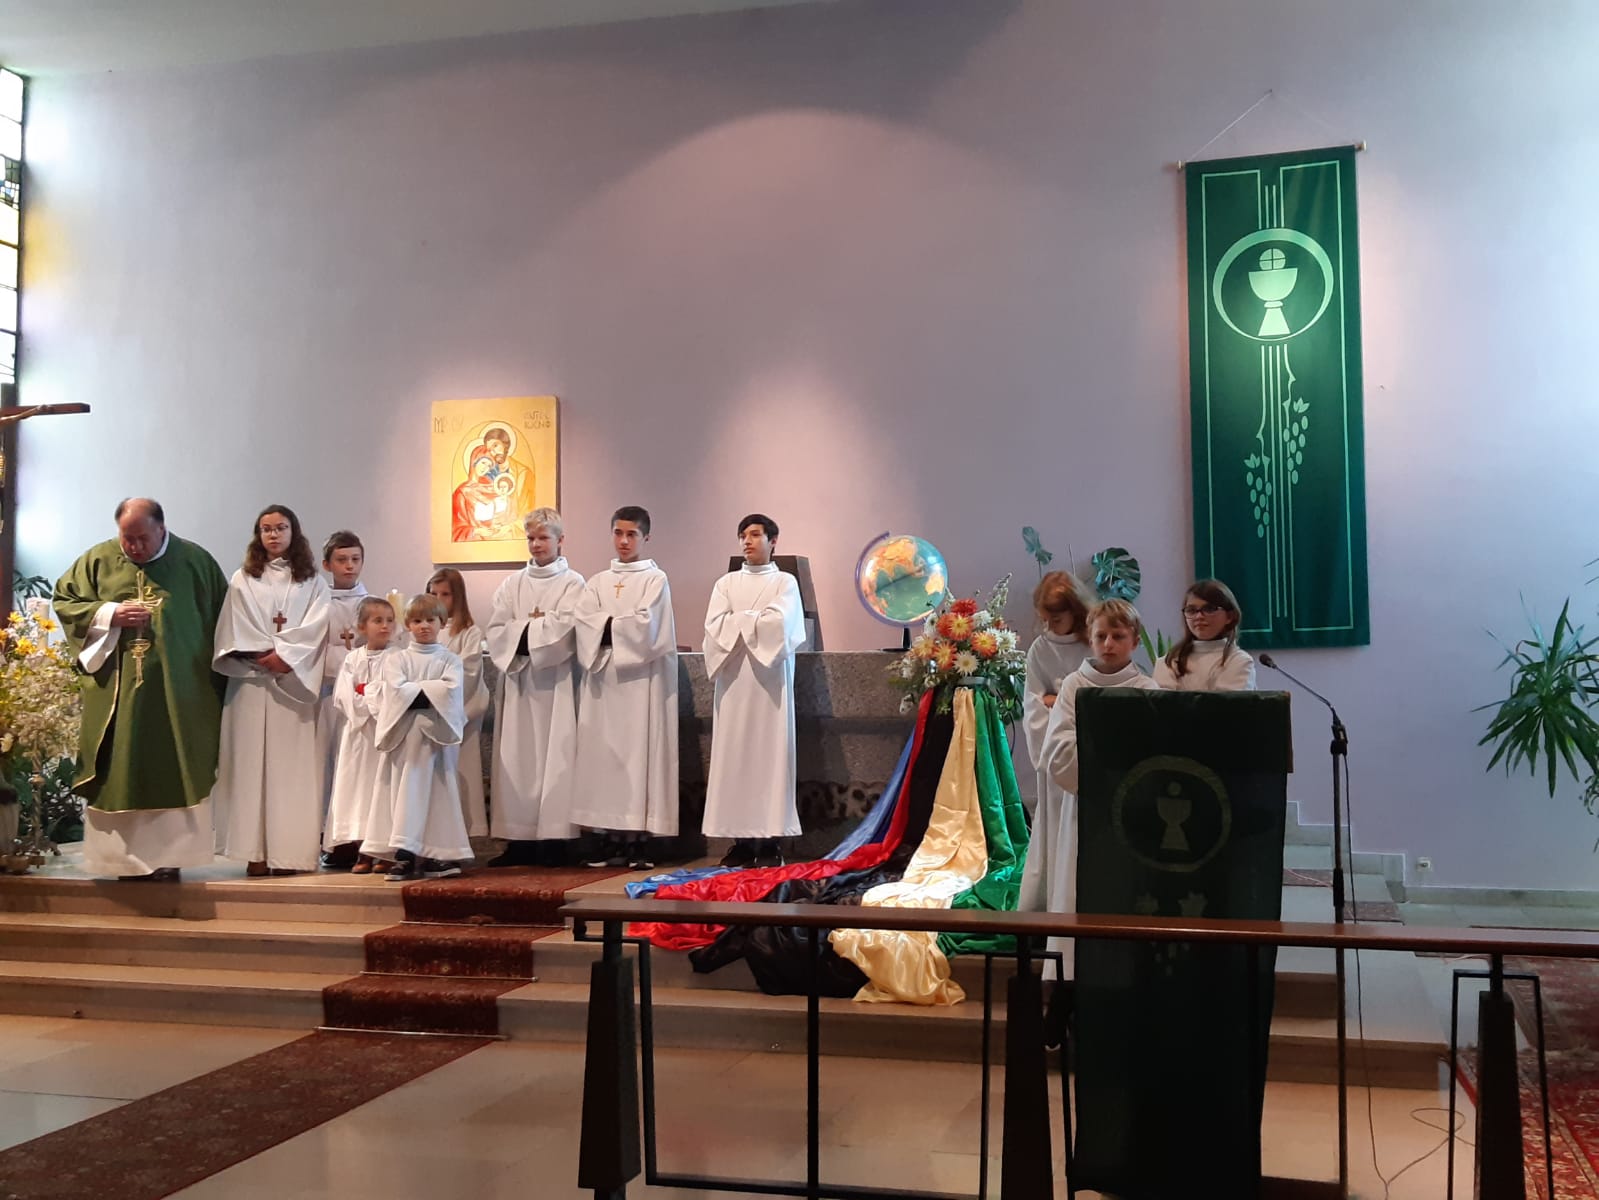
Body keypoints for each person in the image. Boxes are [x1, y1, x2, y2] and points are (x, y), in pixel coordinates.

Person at [52, 498, 230, 880]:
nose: (133, 547)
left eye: (142, 538)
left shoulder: (196, 563)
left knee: (176, 764)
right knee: (118, 768)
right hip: (118, 698)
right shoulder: (97, 560)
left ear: (161, 529)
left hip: (180, 696)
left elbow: (224, 622)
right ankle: (121, 862)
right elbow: (65, 601)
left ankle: (171, 858)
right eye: (126, 538)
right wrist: (108, 614)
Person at [1029, 598, 1159, 980]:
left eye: (1118, 636)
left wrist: (1113, 760)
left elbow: (1155, 752)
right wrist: (1109, 763)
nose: (1108, 644)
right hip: (1085, 808)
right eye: (1101, 636)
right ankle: (1068, 981)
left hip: (1131, 813)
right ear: (1090, 638)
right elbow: (1058, 749)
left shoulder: (1148, 689)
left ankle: (1126, 977)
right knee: (1077, 889)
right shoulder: (1075, 685)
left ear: (1135, 640)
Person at [211, 505, 331, 876]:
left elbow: (317, 626)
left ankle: (289, 854)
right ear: (258, 535)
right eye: (266, 529)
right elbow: (234, 622)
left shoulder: (312, 582)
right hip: (250, 682)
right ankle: (255, 853)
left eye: (281, 528)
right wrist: (262, 654)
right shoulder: (243, 578)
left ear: (294, 532)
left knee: (289, 772)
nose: (274, 535)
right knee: (249, 769)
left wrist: (286, 656)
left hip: (291, 687)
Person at [570, 506, 678, 870]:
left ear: (645, 537)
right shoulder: (597, 582)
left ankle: (638, 840)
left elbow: (649, 627)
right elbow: (584, 621)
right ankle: (608, 837)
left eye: (631, 534)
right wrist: (617, 625)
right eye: (618, 533)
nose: (624, 541)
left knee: (637, 757)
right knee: (604, 759)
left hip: (640, 686)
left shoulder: (654, 580)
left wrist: (607, 626)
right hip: (603, 682)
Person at [701, 513, 806, 869]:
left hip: (769, 685)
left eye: (755, 534)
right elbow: (715, 627)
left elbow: (780, 623)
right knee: (735, 757)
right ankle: (741, 842)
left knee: (770, 756)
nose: (747, 541)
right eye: (743, 535)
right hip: (734, 684)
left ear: (773, 541)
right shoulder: (725, 584)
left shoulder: (785, 582)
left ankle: (771, 841)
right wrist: (754, 620)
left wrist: (741, 620)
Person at [484, 507, 585, 867]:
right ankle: (518, 840)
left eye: (543, 537)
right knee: (517, 758)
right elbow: (497, 630)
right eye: (531, 538)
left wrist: (523, 631)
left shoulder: (573, 583)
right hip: (519, 682)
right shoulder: (512, 585)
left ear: (560, 540)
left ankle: (555, 841)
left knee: (556, 758)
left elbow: (568, 626)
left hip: (556, 683)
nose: (537, 544)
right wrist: (531, 632)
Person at [362, 594, 472, 881]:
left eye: (430, 620)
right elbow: (396, 692)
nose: (424, 626)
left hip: (436, 742)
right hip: (406, 740)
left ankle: (438, 854)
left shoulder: (450, 660)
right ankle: (405, 854)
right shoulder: (397, 659)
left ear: (442, 623)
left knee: (437, 794)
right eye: (417, 620)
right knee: (405, 794)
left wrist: (416, 691)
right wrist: (429, 692)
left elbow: (450, 691)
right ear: (408, 624)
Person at [322, 596, 396, 874]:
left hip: (384, 733)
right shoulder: (352, 658)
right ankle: (362, 850)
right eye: (378, 621)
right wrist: (368, 700)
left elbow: (393, 692)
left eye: (390, 620)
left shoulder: (397, 658)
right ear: (362, 627)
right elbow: (343, 695)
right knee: (357, 792)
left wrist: (368, 696)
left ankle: (386, 852)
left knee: (381, 790)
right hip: (357, 734)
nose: (385, 626)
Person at [1021, 572, 1092, 819]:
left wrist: (1058, 699)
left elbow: (1096, 692)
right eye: (1044, 620)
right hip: (1054, 745)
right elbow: (1034, 702)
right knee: (1057, 813)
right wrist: (1065, 700)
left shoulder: (1094, 643)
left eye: (1057, 619)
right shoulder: (1040, 649)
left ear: (1076, 611)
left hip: (1089, 742)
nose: (1049, 627)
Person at [317, 530, 369, 868]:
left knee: (356, 769)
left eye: (355, 559)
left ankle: (360, 838)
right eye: (341, 560)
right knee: (327, 767)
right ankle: (329, 839)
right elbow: (312, 648)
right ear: (327, 565)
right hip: (325, 696)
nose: (349, 566)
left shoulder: (372, 603)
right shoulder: (317, 603)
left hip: (362, 700)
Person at [425, 568, 489, 838]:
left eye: (446, 594)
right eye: (433, 594)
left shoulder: (469, 632)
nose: (439, 600)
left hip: (460, 712)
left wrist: (438, 681)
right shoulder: (424, 628)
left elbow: (469, 670)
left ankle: (464, 830)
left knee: (462, 771)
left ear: (458, 597)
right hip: (429, 711)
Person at [1153, 579, 1257, 691]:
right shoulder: (1169, 661)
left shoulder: (1239, 661)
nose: (1199, 616)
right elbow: (1162, 700)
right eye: (1191, 610)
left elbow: (1228, 701)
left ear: (1230, 616)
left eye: (1209, 609)